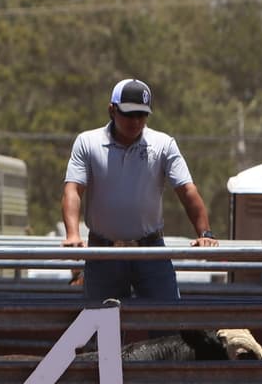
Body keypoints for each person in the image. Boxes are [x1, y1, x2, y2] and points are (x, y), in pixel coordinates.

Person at [61, 78, 215, 303]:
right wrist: (73, 234)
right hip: (104, 252)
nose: (135, 121)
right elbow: (73, 189)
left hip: (151, 250)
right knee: (100, 323)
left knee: (167, 322)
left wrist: (205, 234)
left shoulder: (162, 144)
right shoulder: (88, 143)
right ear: (112, 110)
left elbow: (187, 190)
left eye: (141, 115)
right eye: (129, 114)